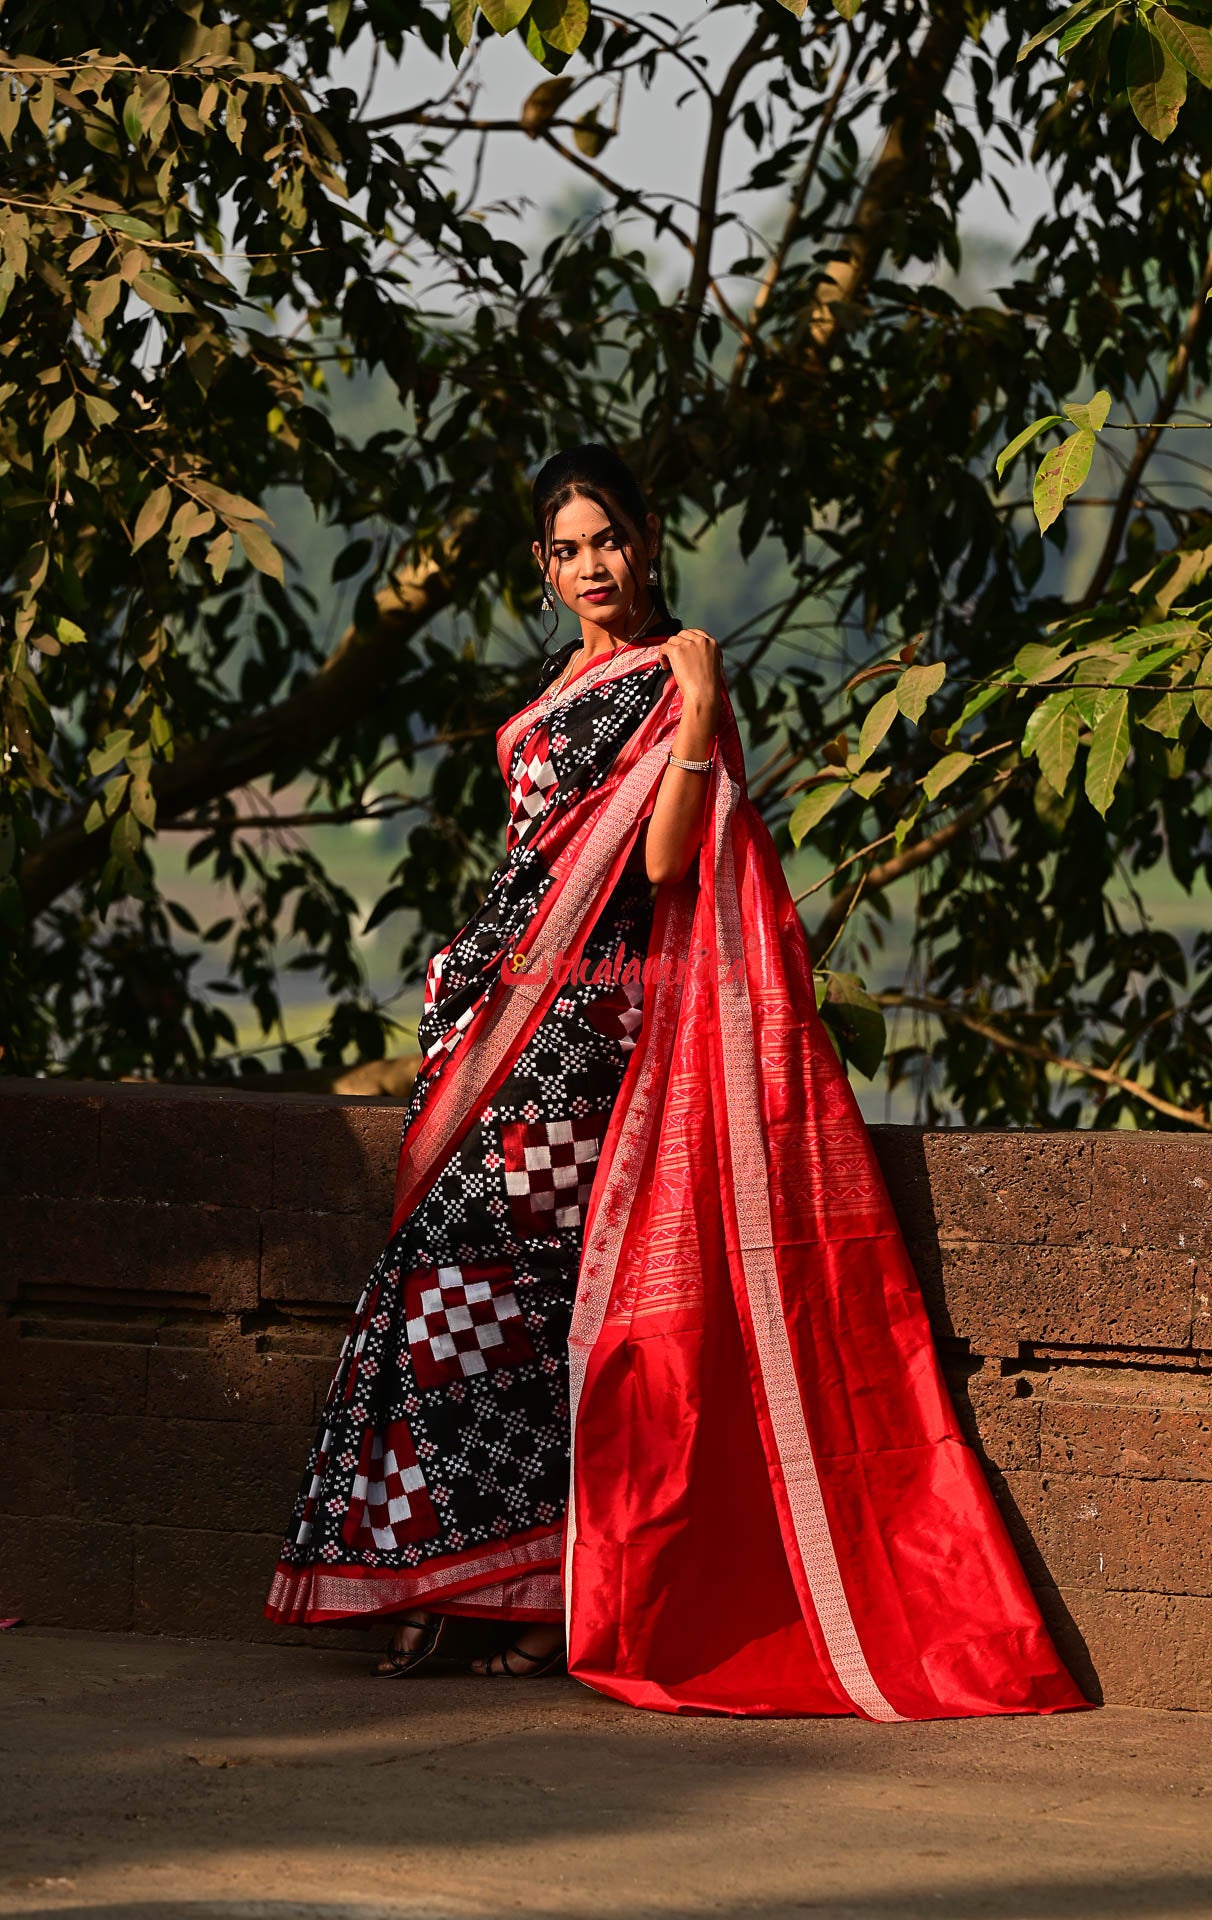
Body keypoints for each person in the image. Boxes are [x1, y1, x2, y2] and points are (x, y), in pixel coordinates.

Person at [266, 443, 1088, 1720]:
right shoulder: (562, 684)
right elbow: (535, 854)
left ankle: (527, 1599)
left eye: (609, 539)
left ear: (647, 541)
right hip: (506, 1016)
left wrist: (700, 716)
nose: (593, 565)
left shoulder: (670, 678)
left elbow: (654, 868)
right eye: (567, 549)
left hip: (591, 1033)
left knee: (478, 1280)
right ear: (545, 571)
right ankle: (475, 1582)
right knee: (474, 1293)